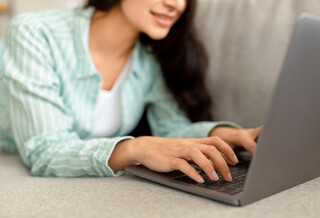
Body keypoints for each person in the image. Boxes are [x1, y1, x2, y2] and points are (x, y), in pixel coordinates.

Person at [0, 0, 262, 183]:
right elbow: (45, 151)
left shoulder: (148, 56)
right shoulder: (34, 32)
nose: (177, 4)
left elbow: (171, 129)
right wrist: (135, 149)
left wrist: (224, 136)